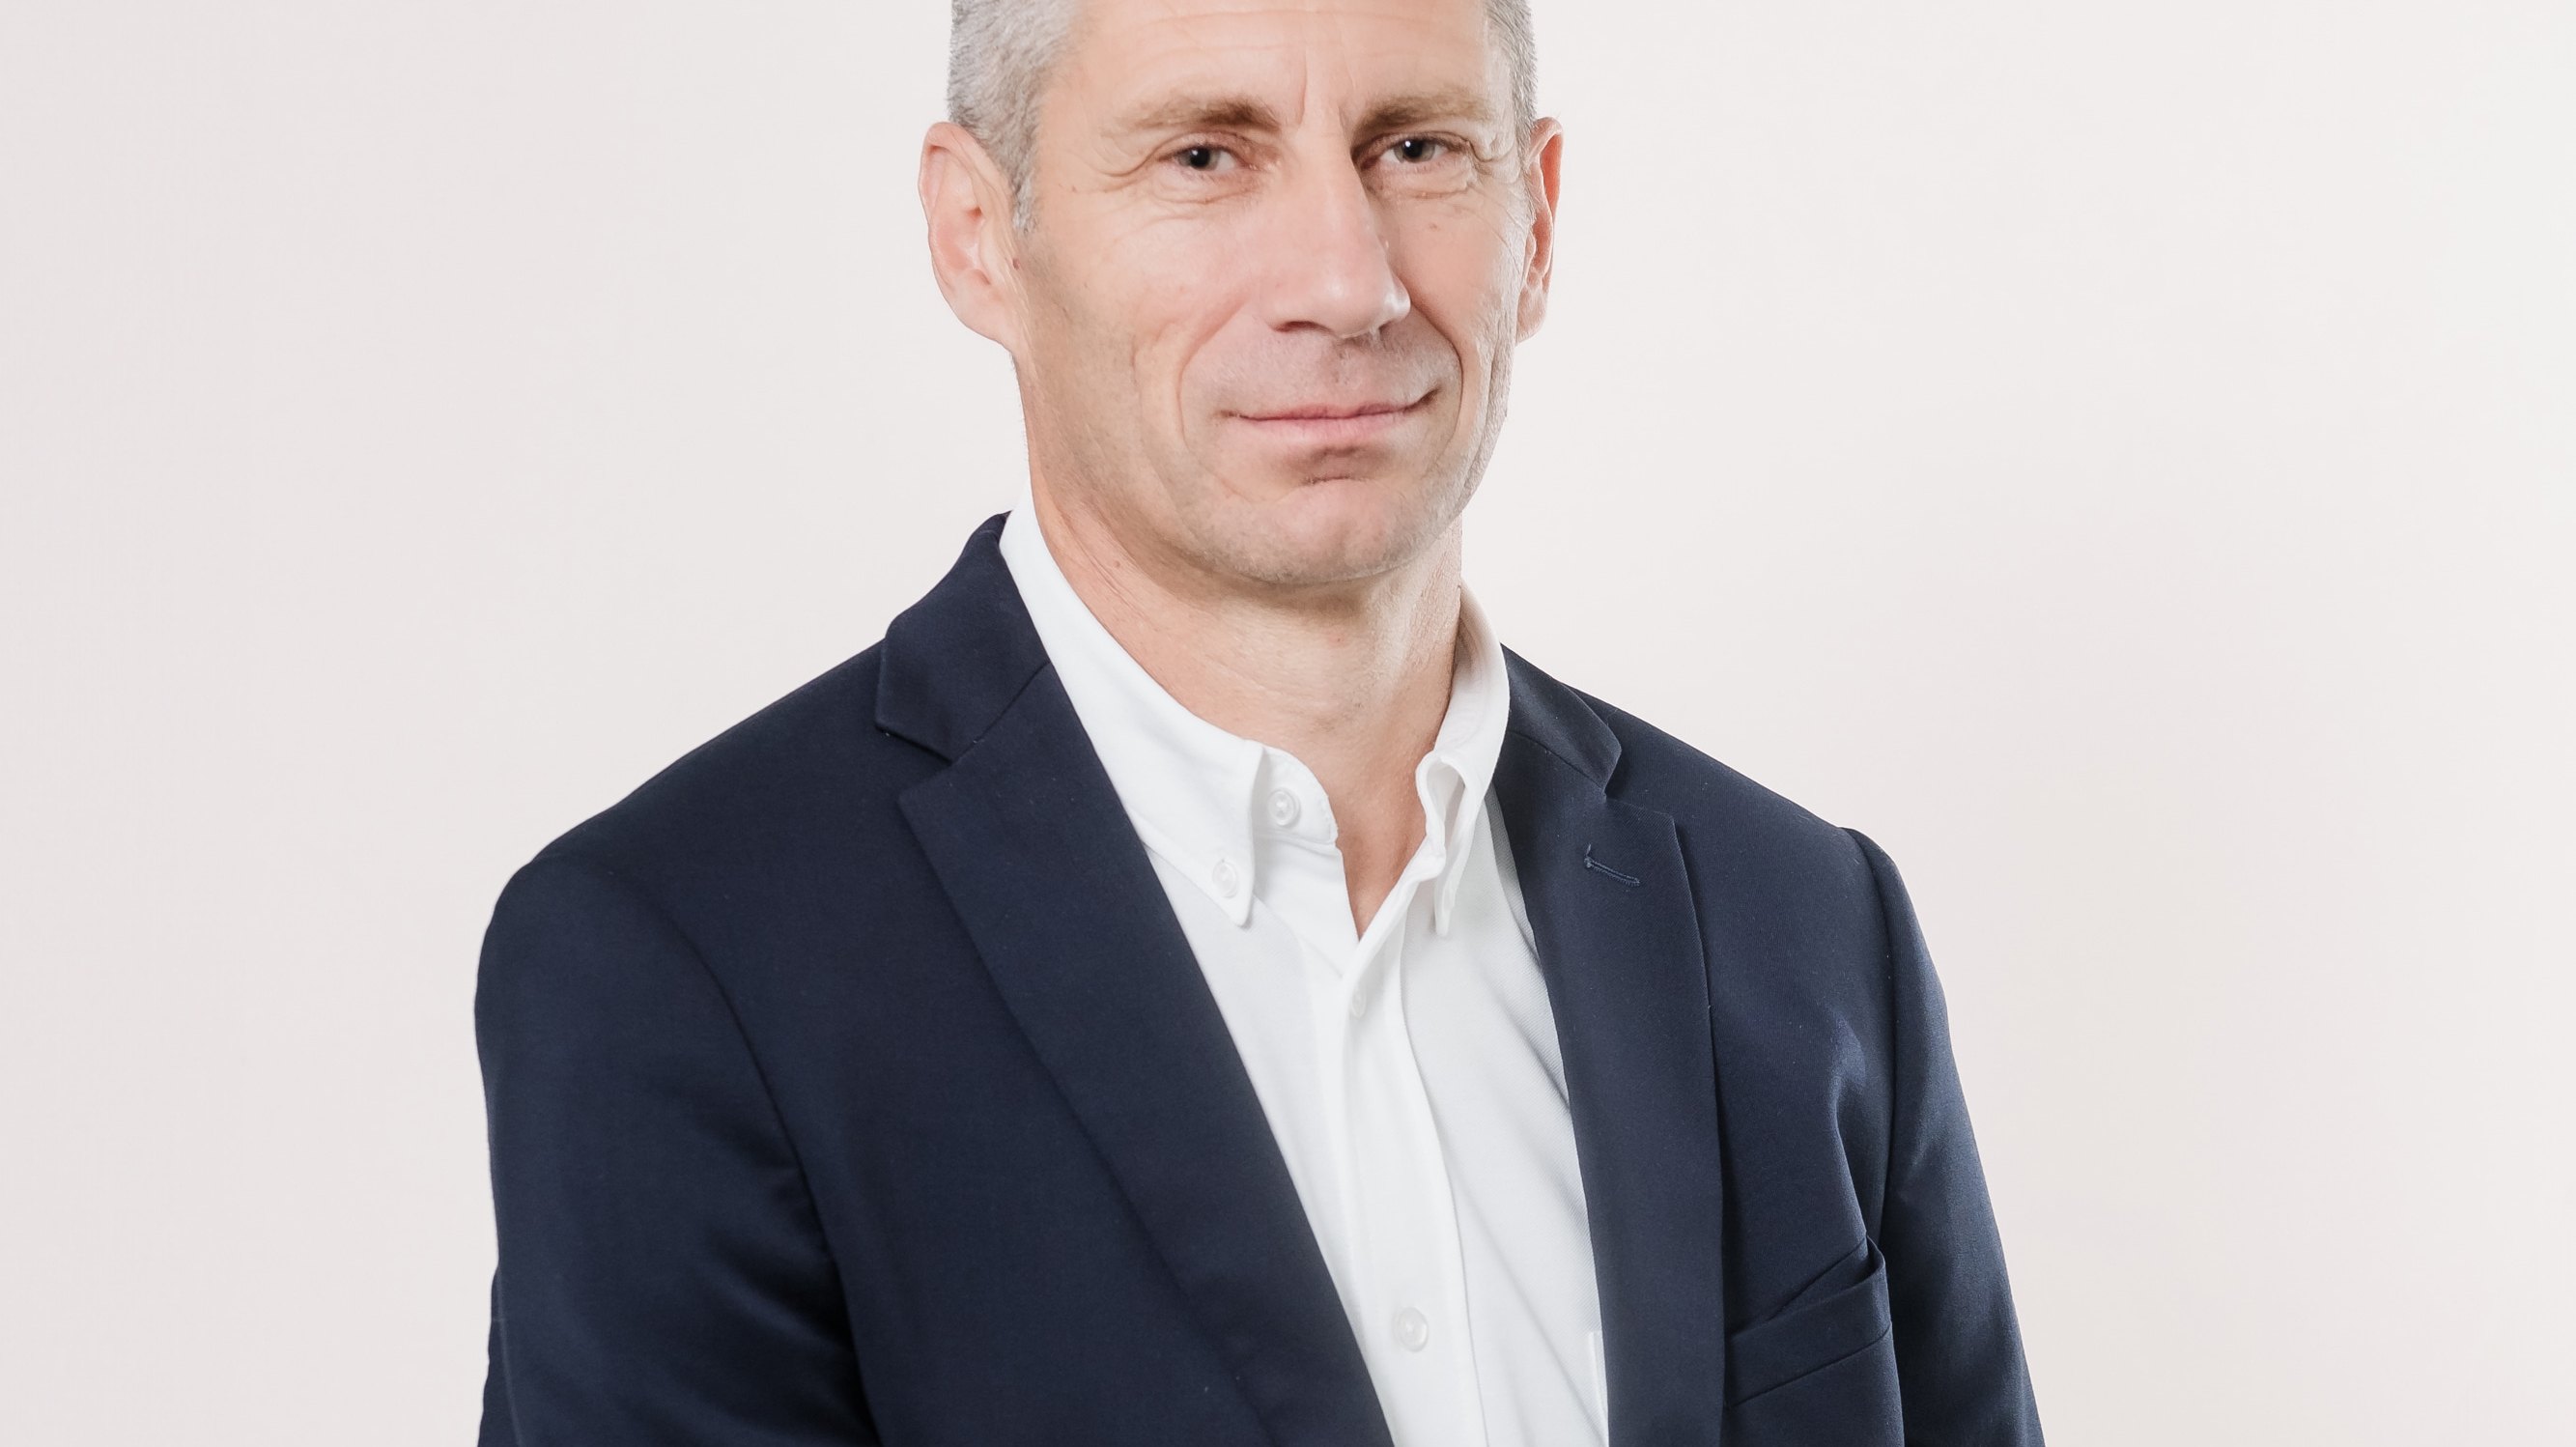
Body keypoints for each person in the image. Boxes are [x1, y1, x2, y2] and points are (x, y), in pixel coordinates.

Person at [472, 0, 2045, 1442]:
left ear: (1540, 218)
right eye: (1205, 156)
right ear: (979, 235)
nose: (1346, 283)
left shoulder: (1806, 926)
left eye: (1417, 148)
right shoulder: (685, 967)